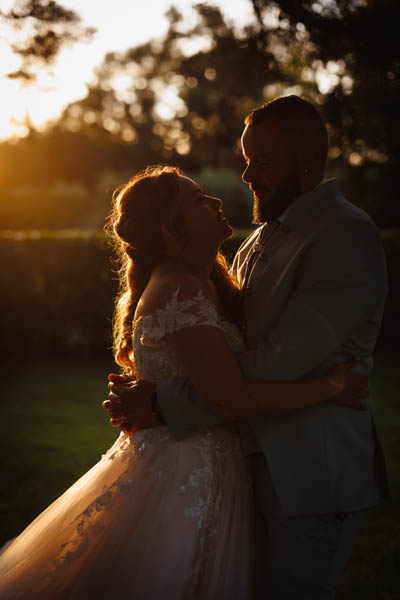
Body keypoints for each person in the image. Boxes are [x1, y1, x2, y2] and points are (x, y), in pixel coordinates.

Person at [0, 164, 367, 600]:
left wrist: (154, 401)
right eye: (197, 200)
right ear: (169, 228)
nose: (214, 201)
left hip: (210, 463)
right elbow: (229, 397)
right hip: (184, 472)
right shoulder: (178, 290)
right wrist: (330, 389)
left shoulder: (203, 281)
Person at [105, 96, 390, 599]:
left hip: (309, 480)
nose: (245, 175)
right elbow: (221, 348)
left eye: (262, 162)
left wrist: (159, 401)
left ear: (305, 162)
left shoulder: (344, 236)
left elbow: (273, 364)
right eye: (246, 158)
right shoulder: (260, 238)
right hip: (244, 472)